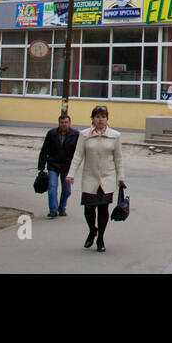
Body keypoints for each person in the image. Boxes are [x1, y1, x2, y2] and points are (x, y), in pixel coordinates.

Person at [65, 106, 125, 253]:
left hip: (107, 178)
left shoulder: (115, 136)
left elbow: (118, 158)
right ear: (93, 119)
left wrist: (120, 177)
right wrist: (71, 174)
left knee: (103, 209)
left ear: (107, 119)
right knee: (89, 209)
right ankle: (93, 230)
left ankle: (100, 239)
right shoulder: (84, 135)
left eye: (103, 116)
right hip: (90, 177)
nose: (100, 120)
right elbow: (78, 156)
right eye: (97, 116)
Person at [37, 113, 79, 218]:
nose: (64, 124)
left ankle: (62, 208)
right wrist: (41, 167)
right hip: (53, 165)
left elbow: (78, 153)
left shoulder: (75, 135)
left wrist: (74, 167)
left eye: (66, 122)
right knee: (52, 187)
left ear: (70, 123)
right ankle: (53, 210)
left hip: (67, 166)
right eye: (62, 122)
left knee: (66, 190)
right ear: (58, 123)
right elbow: (44, 150)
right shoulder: (51, 134)